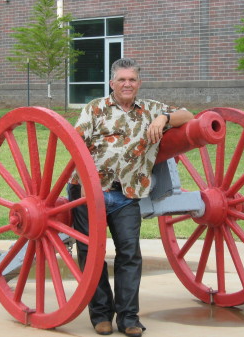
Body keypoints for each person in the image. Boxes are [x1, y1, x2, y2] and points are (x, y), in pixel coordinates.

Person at [67, 58, 193, 337]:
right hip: (90, 193)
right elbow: (74, 143)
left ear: (139, 83)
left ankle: (128, 318)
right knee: (91, 254)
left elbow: (189, 116)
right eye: (121, 79)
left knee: (129, 254)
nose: (127, 84)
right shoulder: (95, 109)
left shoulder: (151, 109)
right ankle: (101, 316)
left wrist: (165, 118)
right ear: (112, 83)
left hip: (127, 194)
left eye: (132, 80)